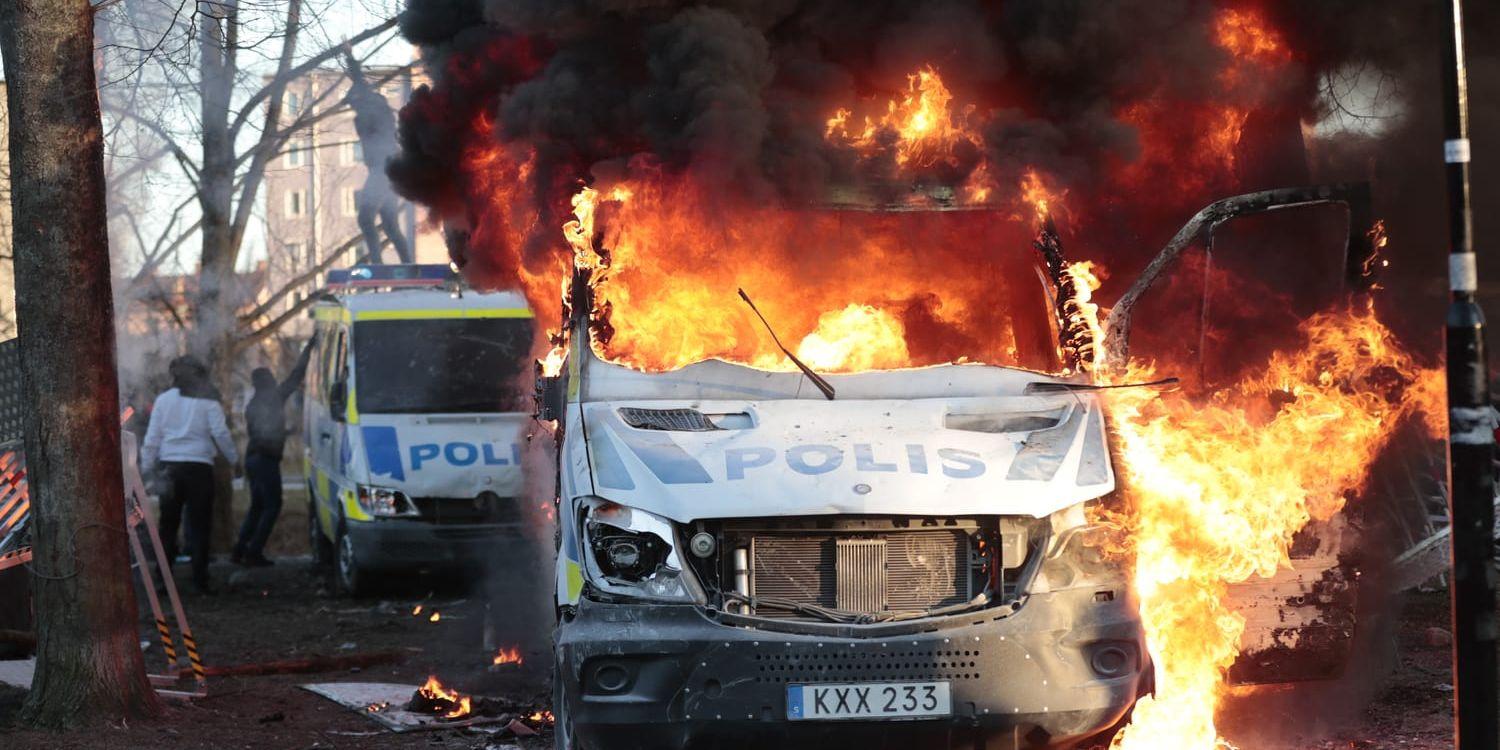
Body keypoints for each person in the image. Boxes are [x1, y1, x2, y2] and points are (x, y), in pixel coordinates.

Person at [142, 355, 238, 594]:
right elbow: (221, 434)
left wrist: (145, 467)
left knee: (168, 525)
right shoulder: (209, 402)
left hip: (170, 468)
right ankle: (199, 579)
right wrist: (236, 459)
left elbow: (152, 438)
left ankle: (163, 579)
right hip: (199, 468)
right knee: (200, 525)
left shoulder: (163, 400)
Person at [232, 337, 316, 567]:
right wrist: (308, 347)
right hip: (265, 461)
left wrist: (287, 431)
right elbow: (296, 376)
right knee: (272, 505)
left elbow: (263, 433)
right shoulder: (274, 397)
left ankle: (239, 550)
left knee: (258, 506)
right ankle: (254, 552)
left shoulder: (253, 404)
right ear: (268, 382)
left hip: (253, 458)